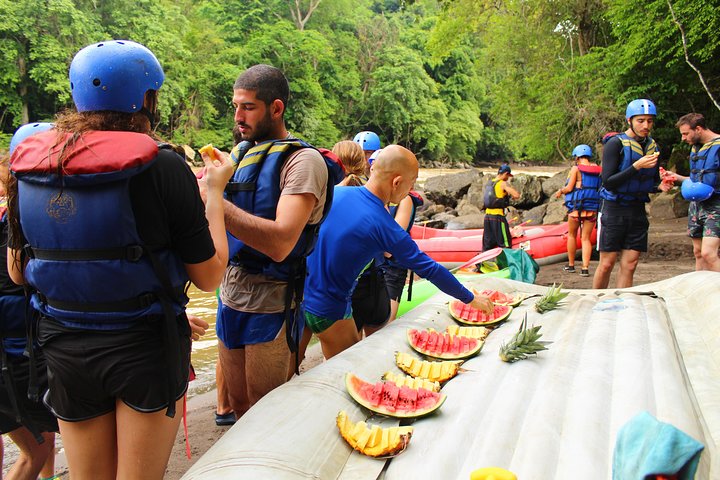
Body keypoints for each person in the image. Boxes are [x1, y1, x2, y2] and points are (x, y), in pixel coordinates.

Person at [6, 40, 232, 480]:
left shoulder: (28, 166)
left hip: (64, 348)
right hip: (145, 347)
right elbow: (209, 276)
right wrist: (216, 192)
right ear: (145, 98)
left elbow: (19, 273)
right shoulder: (164, 167)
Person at [214, 64, 342, 417]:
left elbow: (281, 243)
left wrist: (213, 200)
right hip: (231, 290)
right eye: (235, 106)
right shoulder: (240, 154)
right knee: (238, 403)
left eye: (248, 107)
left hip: (273, 296)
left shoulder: (303, 161)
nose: (238, 117)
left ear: (276, 108)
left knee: (264, 407)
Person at [302, 145, 494, 359]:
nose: (411, 190)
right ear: (396, 182)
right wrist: (470, 298)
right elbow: (430, 269)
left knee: (292, 373)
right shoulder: (385, 226)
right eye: (412, 183)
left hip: (299, 298)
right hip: (329, 310)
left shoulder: (335, 192)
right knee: (347, 368)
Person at [1, 129, 58, 480]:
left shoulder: (14, 211)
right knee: (35, 448)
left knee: (44, 437)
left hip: (18, 356)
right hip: (16, 359)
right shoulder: (26, 217)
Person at [592, 99, 670, 289]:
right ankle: (596, 300)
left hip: (637, 209)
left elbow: (651, 182)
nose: (646, 126)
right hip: (613, 208)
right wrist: (636, 166)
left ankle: (623, 302)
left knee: (630, 264)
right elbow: (608, 182)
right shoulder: (614, 144)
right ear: (629, 120)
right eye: (640, 121)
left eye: (649, 121)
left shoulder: (653, 147)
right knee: (607, 263)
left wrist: (660, 186)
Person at [669, 113, 720, 271]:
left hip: (716, 205)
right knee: (698, 253)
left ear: (698, 129)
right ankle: (701, 286)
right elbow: (697, 178)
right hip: (696, 206)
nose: (683, 138)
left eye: (686, 134)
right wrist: (676, 177)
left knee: (708, 254)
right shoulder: (696, 147)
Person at [554, 144, 601, 277]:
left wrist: (560, 191)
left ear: (577, 157)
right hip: (591, 209)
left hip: (576, 210)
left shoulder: (576, 169)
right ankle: (585, 268)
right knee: (585, 238)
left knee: (572, 235)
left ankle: (571, 265)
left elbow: (569, 188)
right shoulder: (597, 169)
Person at [483, 164, 520, 251]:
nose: (508, 178)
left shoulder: (489, 183)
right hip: (498, 218)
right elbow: (516, 195)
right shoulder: (503, 183)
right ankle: (508, 258)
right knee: (505, 243)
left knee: (488, 245)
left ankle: (487, 258)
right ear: (506, 173)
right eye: (508, 176)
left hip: (487, 218)